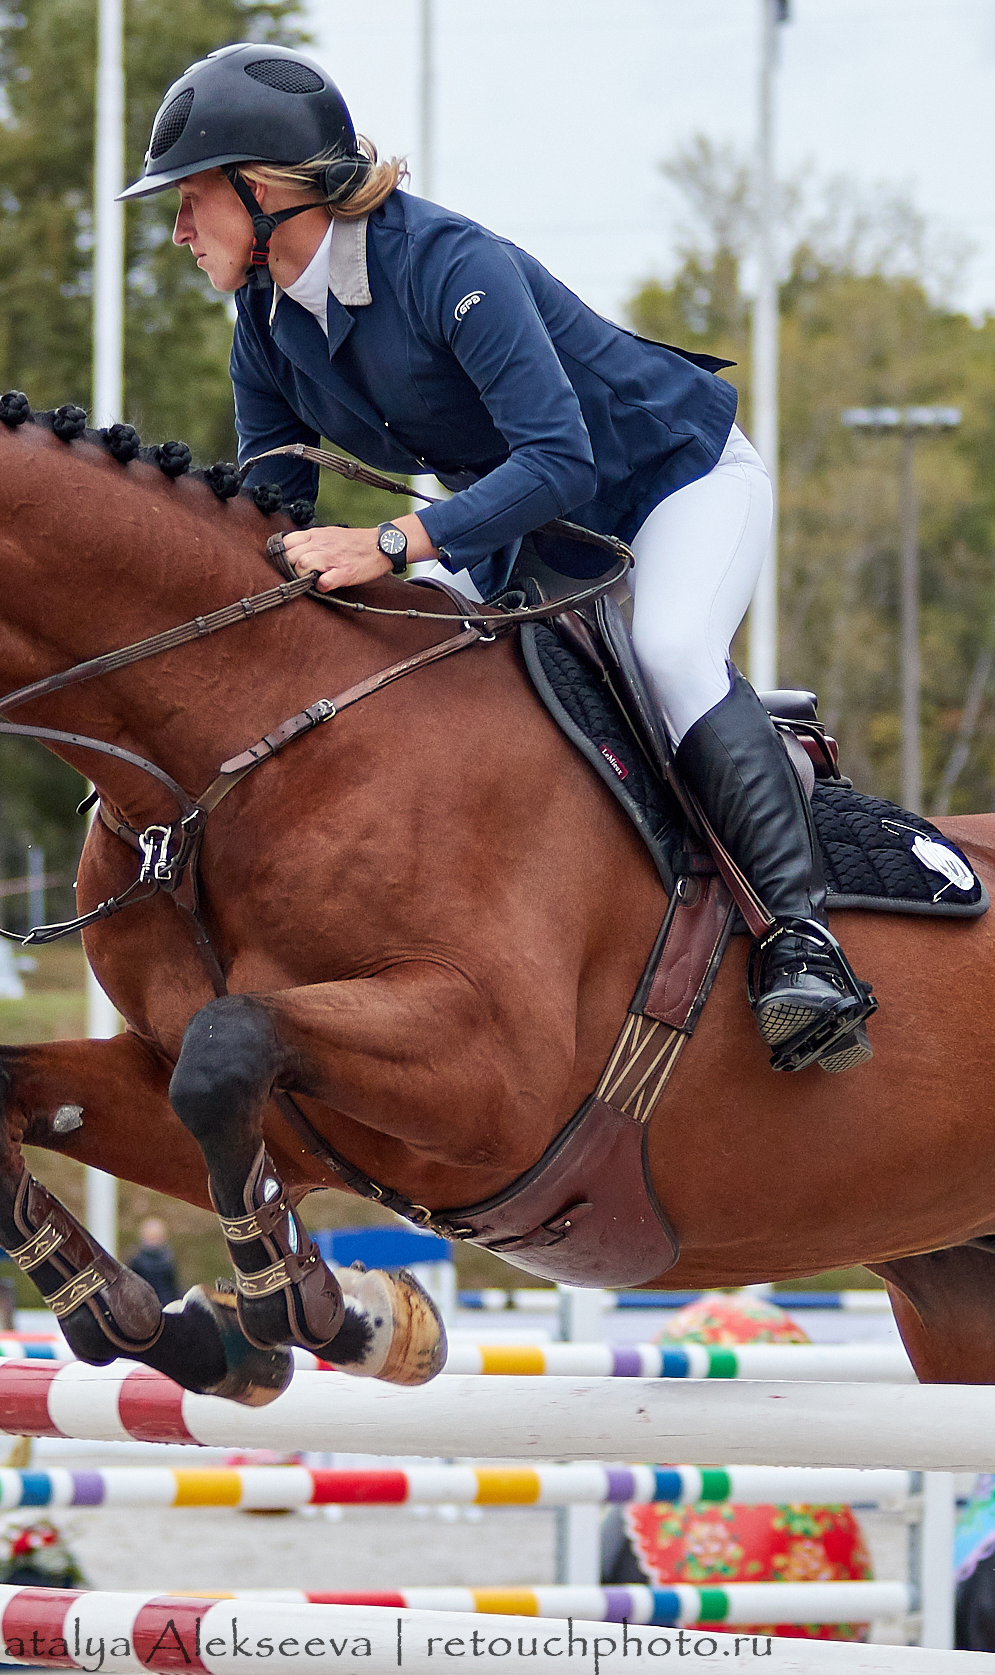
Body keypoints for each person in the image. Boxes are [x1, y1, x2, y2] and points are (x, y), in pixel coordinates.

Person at [118, 44, 873, 1071]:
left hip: (672, 482)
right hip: (516, 519)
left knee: (670, 650)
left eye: (189, 200)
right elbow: (272, 518)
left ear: (265, 192)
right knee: (408, 658)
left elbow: (561, 459)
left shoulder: (445, 267)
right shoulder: (263, 322)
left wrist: (388, 541)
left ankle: (801, 944)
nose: (173, 229)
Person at [125, 1216, 182, 1306]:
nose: (154, 1242)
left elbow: (172, 1287)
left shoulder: (167, 1260)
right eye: (151, 1238)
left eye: (157, 1238)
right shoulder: (137, 1262)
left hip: (166, 1304)